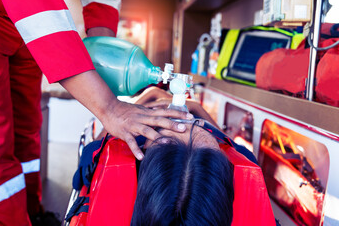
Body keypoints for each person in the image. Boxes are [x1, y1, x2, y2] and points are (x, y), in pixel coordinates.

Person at [0, 0, 190, 226]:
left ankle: (32, 211)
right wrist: (110, 108)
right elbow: (38, 11)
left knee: (27, 129)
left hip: (21, 30)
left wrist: (105, 55)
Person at [66, 86, 259, 225]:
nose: (184, 125)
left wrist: (147, 98)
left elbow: (97, 145)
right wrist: (197, 110)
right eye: (198, 126)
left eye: (164, 135)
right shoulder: (241, 159)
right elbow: (232, 146)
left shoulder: (110, 154)